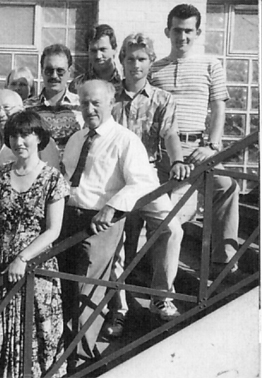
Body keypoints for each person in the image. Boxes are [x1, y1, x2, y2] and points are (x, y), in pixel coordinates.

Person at [60, 80, 161, 370]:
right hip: (70, 218)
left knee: (88, 290)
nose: (89, 109)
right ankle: (66, 352)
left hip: (101, 222)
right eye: (84, 103)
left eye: (96, 103)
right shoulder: (77, 138)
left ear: (111, 103)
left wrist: (113, 205)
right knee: (66, 287)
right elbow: (68, 177)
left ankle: (82, 360)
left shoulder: (125, 139)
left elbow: (145, 182)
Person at [103, 33, 190, 337]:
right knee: (117, 245)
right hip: (115, 179)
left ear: (151, 62)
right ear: (122, 61)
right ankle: (118, 310)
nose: (135, 65)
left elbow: (169, 135)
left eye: (142, 59)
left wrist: (177, 160)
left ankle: (161, 296)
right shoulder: (109, 99)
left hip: (148, 178)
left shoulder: (163, 99)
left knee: (170, 228)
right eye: (130, 58)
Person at [149, 3, 242, 279]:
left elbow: (218, 107)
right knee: (160, 209)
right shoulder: (154, 68)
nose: (183, 37)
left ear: (198, 32)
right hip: (164, 149)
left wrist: (212, 145)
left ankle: (223, 259)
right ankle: (148, 264)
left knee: (226, 185)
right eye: (177, 30)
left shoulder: (211, 64)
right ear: (168, 31)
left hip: (199, 147)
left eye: (189, 31)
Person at [0, 110, 69, 377]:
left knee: (35, 341)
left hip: (36, 271)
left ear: (39, 137)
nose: (19, 141)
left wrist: (23, 258)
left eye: (25, 134)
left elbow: (53, 230)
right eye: (13, 135)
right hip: (0, 269)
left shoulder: (52, 179)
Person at [0, 89, 60, 180]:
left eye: (6, 107)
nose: (0, 114)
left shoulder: (38, 139)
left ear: (21, 110)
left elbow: (52, 175)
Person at [24, 44, 83, 150]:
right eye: (49, 70)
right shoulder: (26, 108)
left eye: (60, 71)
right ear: (42, 71)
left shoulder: (83, 106)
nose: (54, 76)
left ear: (69, 72)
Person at [70, 24, 123, 94]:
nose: (98, 56)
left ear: (115, 50)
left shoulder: (126, 83)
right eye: (93, 51)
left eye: (103, 49)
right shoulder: (78, 85)